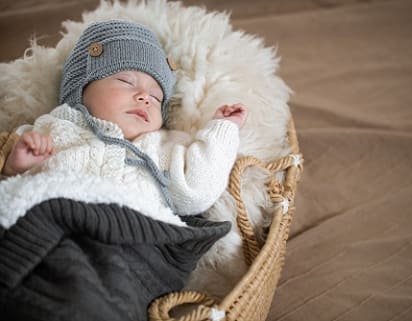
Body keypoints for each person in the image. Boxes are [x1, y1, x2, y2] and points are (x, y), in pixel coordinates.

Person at [0, 20, 247, 218]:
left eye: (156, 97)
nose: (144, 98)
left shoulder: (161, 147)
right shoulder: (50, 129)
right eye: (126, 82)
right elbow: (11, 193)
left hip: (130, 240)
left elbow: (197, 193)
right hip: (47, 221)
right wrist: (15, 168)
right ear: (81, 88)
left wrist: (222, 130)